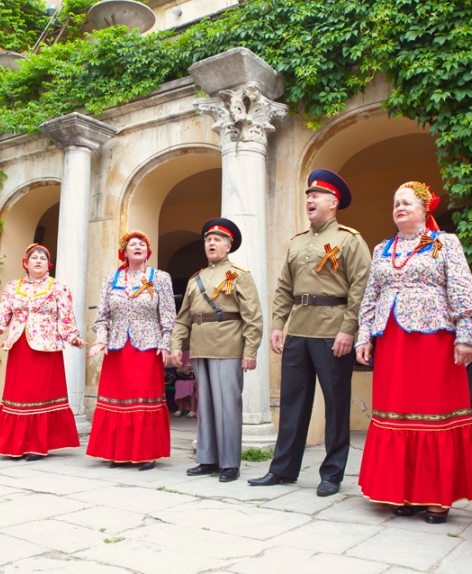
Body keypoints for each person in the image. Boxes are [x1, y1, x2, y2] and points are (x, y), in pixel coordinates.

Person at [355, 181, 472, 523]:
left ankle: (438, 497)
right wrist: (364, 336)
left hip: (434, 338)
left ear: (425, 210)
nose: (400, 207)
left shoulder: (444, 243)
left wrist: (465, 336)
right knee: (397, 410)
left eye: (407, 202)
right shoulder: (382, 248)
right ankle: (404, 491)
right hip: (392, 339)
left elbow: (462, 289)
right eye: (396, 203)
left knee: (432, 410)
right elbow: (371, 295)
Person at [250, 169, 370, 496]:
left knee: (335, 403)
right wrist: (278, 325)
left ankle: (332, 473)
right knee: (292, 403)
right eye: (307, 196)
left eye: (316, 195)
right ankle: (283, 469)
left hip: (333, 331)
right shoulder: (297, 242)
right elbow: (284, 288)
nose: (309, 200)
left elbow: (361, 287)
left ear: (334, 203)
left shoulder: (349, 239)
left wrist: (349, 329)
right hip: (298, 330)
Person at [170, 218, 263, 483]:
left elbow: (253, 316)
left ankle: (230, 463)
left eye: (217, 239)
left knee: (227, 406)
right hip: (200, 347)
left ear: (228, 245)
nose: (211, 243)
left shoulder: (239, 275)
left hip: (228, 345)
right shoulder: (195, 279)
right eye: (208, 240)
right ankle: (208, 459)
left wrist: (250, 350)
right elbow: (183, 318)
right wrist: (178, 346)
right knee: (206, 407)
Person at [0, 244, 85, 460]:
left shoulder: (59, 287)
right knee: (19, 394)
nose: (38, 261)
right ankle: (16, 443)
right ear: (25, 263)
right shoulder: (12, 287)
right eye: (34, 258)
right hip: (20, 346)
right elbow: (3, 314)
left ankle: (37, 444)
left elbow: (65, 317)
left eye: (43, 259)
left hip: (46, 348)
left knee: (39, 394)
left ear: (49, 265)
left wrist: (72, 336)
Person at [86, 230, 176, 470]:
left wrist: (166, 343)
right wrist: (101, 340)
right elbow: (103, 315)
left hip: (148, 345)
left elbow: (168, 314)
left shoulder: (161, 278)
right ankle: (117, 452)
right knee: (118, 398)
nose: (138, 247)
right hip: (116, 347)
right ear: (124, 252)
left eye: (142, 245)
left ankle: (146, 453)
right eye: (132, 245)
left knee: (144, 397)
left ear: (148, 252)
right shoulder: (110, 278)